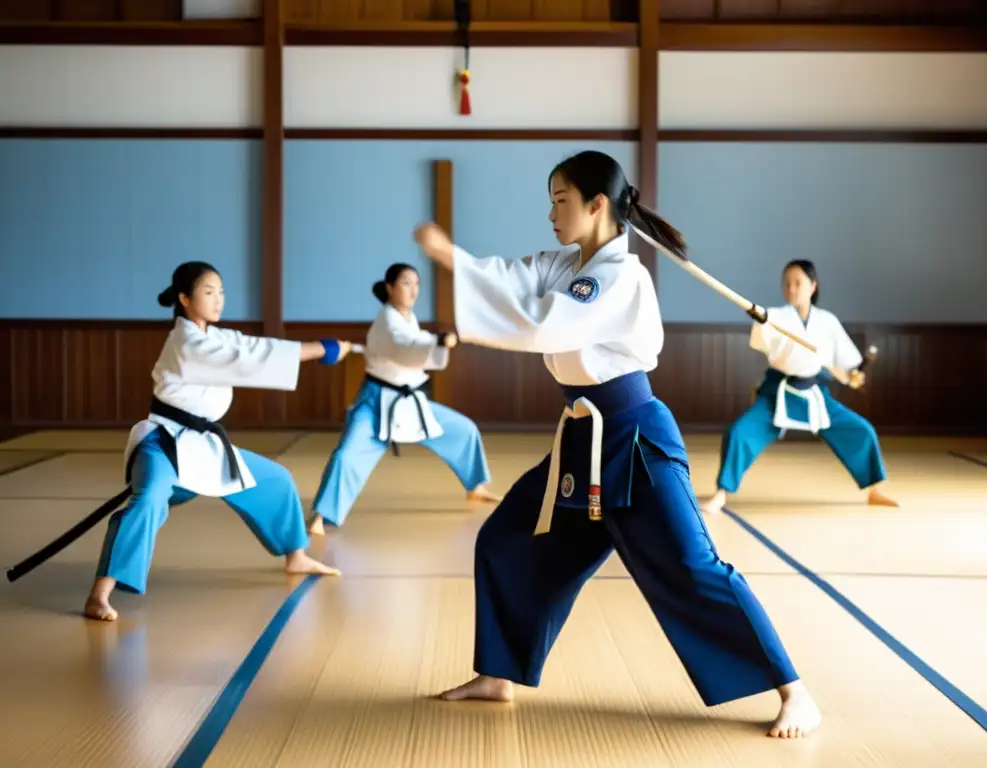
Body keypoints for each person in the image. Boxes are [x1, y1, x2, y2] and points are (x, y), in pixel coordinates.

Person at [412, 150, 821, 739]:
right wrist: (458, 260)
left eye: (561, 200)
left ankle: (794, 691)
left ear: (597, 204)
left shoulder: (619, 275)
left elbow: (544, 324)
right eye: (550, 200)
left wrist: (452, 260)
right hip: (581, 438)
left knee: (690, 567)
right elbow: (510, 278)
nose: (551, 212)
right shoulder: (563, 263)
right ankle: (500, 673)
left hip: (634, 440)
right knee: (508, 539)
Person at [84, 261, 343, 622]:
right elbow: (245, 361)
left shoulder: (217, 335)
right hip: (165, 443)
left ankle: (296, 556)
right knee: (149, 500)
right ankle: (100, 594)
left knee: (276, 480)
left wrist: (315, 348)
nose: (218, 299)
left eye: (221, 291)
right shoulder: (185, 342)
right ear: (185, 299)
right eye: (209, 292)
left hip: (204, 445)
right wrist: (317, 350)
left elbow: (256, 346)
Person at [307, 263, 500, 535]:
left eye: (417, 284)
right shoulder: (387, 322)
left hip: (410, 402)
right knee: (348, 454)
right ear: (390, 288)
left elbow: (415, 341)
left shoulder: (406, 318)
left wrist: (436, 341)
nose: (413, 290)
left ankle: (476, 487)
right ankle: (321, 515)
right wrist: (438, 342)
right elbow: (403, 347)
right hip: (377, 402)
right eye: (406, 283)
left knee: (464, 429)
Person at [702, 259, 898, 516]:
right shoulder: (776, 316)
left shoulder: (827, 321)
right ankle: (721, 493)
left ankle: (874, 489)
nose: (791, 289)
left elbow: (845, 363)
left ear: (813, 286)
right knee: (740, 432)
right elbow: (763, 334)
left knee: (861, 430)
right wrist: (761, 318)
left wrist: (853, 375)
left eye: (798, 283)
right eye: (787, 283)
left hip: (814, 393)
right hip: (778, 391)